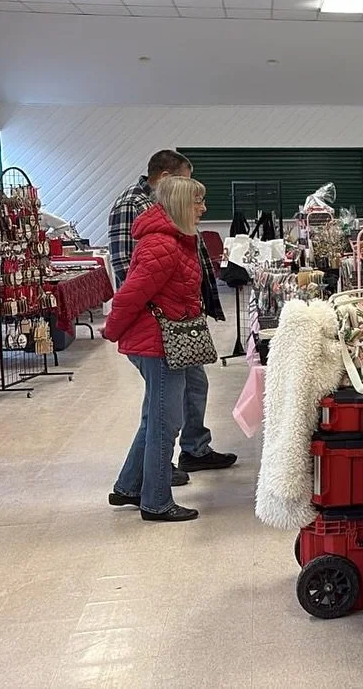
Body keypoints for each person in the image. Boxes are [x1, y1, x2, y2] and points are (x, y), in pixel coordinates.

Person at [108, 149, 233, 480]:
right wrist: (151, 314)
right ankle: (156, 476)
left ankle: (182, 455)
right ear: (167, 180)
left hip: (176, 322)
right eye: (189, 186)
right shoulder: (133, 206)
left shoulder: (166, 213)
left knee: (184, 394)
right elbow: (128, 272)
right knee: (163, 413)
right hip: (160, 327)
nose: (201, 207)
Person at [104, 177, 213, 522]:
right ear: (181, 203)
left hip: (162, 341)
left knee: (155, 418)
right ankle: (156, 501)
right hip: (160, 344)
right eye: (197, 202)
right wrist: (111, 331)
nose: (203, 209)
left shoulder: (175, 241)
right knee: (166, 423)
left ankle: (129, 486)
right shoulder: (163, 245)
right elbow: (129, 295)